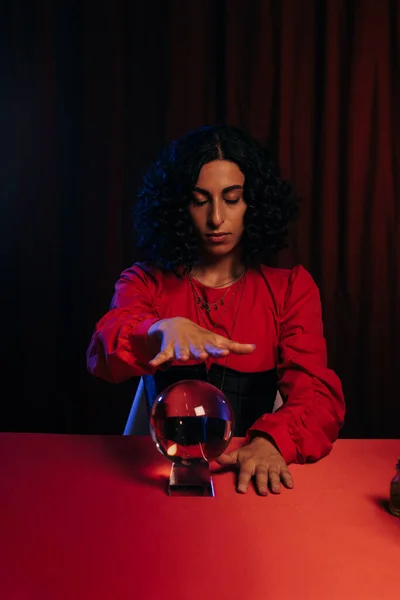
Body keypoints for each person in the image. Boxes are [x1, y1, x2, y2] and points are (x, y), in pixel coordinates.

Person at [87, 125, 345, 496]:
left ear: (253, 203)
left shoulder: (290, 289)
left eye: (232, 198)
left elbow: (318, 395)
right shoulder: (145, 282)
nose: (216, 219)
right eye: (199, 200)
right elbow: (102, 351)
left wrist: (274, 442)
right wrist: (156, 331)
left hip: (252, 478)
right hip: (154, 478)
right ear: (178, 205)